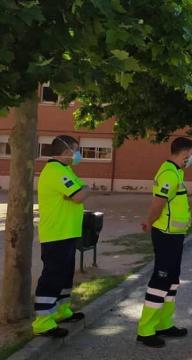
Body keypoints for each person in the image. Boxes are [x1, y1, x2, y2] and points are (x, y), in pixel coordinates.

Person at [136, 137, 192, 348]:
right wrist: (149, 221)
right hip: (166, 235)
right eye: (190, 155)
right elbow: (158, 202)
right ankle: (146, 330)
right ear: (184, 153)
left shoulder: (177, 172)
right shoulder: (169, 173)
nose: (190, 159)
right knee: (160, 281)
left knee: (171, 281)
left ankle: (164, 324)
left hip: (175, 235)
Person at [32, 135, 89, 338]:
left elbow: (79, 191)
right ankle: (43, 320)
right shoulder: (55, 171)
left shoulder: (66, 169)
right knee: (52, 276)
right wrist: (85, 188)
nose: (77, 155)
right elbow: (79, 195)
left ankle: (61, 311)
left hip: (68, 231)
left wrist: (83, 189)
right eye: (76, 150)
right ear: (66, 152)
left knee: (65, 275)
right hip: (56, 233)